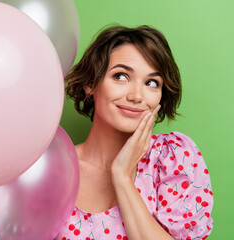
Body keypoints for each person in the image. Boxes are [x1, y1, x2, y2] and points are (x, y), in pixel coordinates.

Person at [55, 25, 213, 240]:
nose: (137, 96)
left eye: (151, 83)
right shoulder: (55, 168)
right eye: (121, 76)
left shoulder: (173, 159)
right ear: (91, 83)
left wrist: (122, 178)